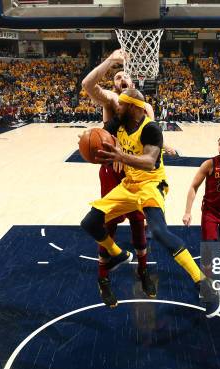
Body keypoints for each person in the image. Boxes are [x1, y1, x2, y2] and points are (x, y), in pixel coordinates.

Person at [80, 89, 220, 317]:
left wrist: (120, 157)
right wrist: (87, 137)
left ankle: (205, 286)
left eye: (123, 104)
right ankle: (117, 254)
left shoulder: (151, 129)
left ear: (136, 108)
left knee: (159, 232)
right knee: (90, 222)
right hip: (128, 185)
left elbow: (148, 161)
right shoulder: (119, 122)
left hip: (151, 186)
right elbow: (98, 134)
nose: (118, 107)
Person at [81, 50, 175, 306]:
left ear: (134, 85)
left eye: (125, 76)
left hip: (134, 171)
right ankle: (104, 278)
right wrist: (111, 61)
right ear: (114, 85)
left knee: (138, 224)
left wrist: (164, 148)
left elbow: (150, 139)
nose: (121, 79)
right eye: (117, 77)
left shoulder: (145, 108)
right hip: (113, 169)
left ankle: (143, 271)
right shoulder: (112, 100)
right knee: (107, 223)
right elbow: (88, 85)